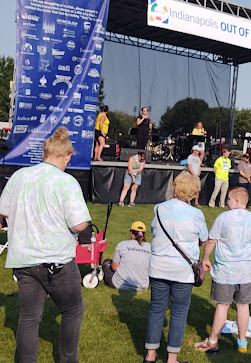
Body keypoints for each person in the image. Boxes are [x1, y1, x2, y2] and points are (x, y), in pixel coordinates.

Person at [0, 127, 91, 362]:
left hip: (23, 259)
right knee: (73, 310)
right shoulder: (66, 182)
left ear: (45, 153)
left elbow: (4, 211)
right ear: (67, 156)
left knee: (29, 317)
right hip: (56, 261)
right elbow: (79, 225)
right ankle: (68, 359)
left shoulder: (20, 176)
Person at [144, 172, 208, 363]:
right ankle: (172, 358)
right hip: (183, 270)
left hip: (159, 266)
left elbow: (154, 230)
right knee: (179, 312)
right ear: (193, 192)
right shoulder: (196, 214)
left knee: (156, 309)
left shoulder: (159, 208)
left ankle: (150, 355)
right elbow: (203, 239)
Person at [195, 187, 251, 354]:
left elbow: (211, 241)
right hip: (244, 271)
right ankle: (242, 342)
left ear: (237, 201)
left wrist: (205, 259)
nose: (227, 202)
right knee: (243, 306)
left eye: (228, 199)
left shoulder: (223, 217)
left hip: (225, 271)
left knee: (223, 305)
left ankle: (213, 341)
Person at [102, 221, 151, 291]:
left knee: (107, 262)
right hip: (142, 286)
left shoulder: (122, 244)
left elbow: (114, 268)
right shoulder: (151, 247)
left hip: (118, 284)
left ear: (131, 233)